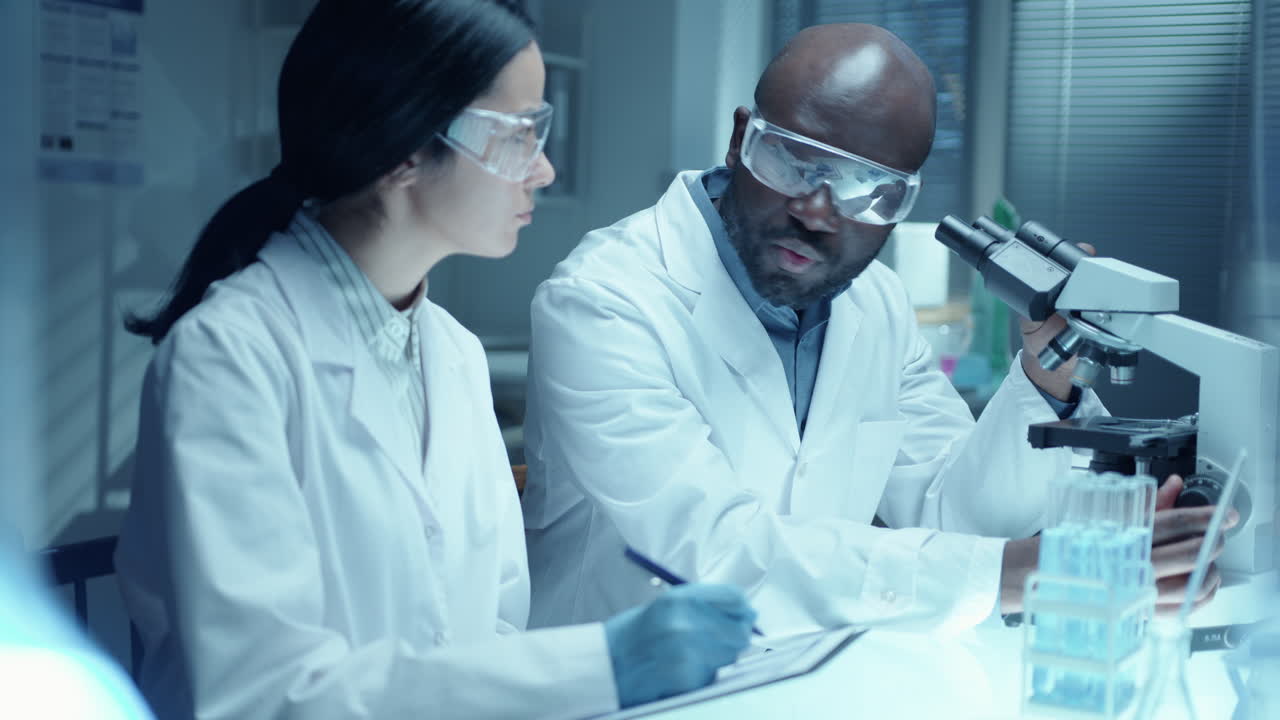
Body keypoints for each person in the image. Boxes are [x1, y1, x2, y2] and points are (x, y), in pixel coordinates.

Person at [114, 2, 756, 718]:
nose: (543, 168)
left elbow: (496, 627)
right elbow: (267, 696)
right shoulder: (226, 360)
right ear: (407, 148)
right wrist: (602, 663)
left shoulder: (451, 352)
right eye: (522, 133)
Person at [521, 23, 1226, 635]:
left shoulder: (875, 305)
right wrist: (1032, 573)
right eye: (794, 162)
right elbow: (712, 554)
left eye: (869, 190)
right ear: (741, 139)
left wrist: (1048, 372)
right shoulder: (605, 300)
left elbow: (956, 518)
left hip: (812, 679)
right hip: (630, 696)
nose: (820, 210)